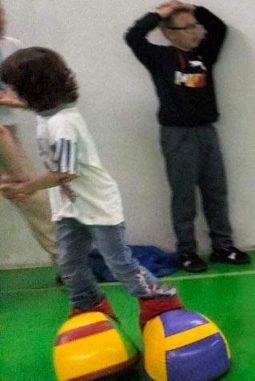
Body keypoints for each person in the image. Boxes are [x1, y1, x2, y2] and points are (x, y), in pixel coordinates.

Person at [0, 47, 182, 326]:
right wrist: (16, 103)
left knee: (118, 262)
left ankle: (161, 300)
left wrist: (27, 187)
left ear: (32, 87)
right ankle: (89, 305)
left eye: (14, 87)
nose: (11, 92)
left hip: (96, 204)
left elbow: (64, 173)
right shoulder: (50, 112)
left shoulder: (63, 124)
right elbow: (39, 110)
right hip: (70, 207)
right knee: (69, 263)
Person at [124, 0, 249, 273]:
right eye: (187, 28)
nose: (195, 33)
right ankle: (187, 252)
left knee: (216, 191)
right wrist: (159, 13)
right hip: (177, 136)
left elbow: (219, 28)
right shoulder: (159, 58)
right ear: (168, 33)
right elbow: (132, 37)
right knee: (184, 196)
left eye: (195, 27)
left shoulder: (205, 54)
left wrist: (194, 8)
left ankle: (223, 247)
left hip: (207, 133)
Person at [0, 0, 59, 271]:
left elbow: (27, 95)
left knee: (26, 189)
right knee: (26, 188)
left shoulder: (11, 48)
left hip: (5, 128)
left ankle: (66, 258)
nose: (2, 19)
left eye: (1, 12)